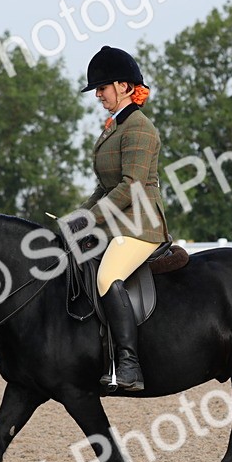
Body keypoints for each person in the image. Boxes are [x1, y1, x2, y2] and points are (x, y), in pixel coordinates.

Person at [69, 46, 168, 392]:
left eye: (102, 87)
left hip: (140, 225)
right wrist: (78, 216)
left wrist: (91, 219)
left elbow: (131, 186)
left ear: (124, 86)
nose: (98, 95)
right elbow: (104, 186)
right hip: (116, 222)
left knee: (108, 274)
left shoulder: (139, 128)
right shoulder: (114, 127)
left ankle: (129, 364)